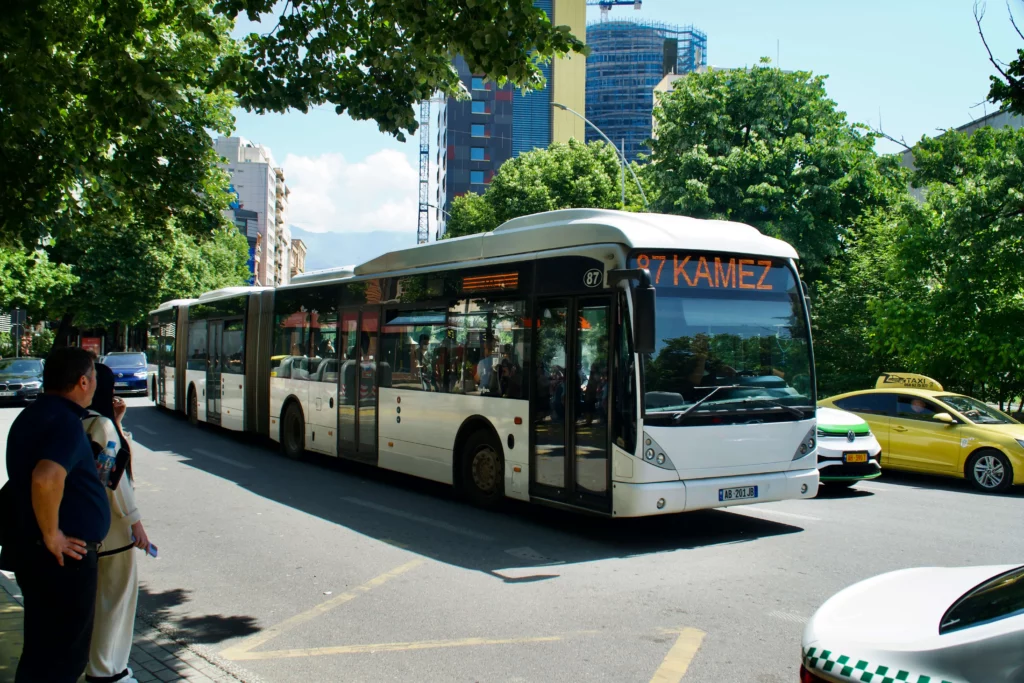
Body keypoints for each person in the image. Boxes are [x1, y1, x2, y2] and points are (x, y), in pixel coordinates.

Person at [5, 347, 111, 682]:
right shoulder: (63, 421)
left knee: (41, 650)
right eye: (93, 377)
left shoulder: (34, 415)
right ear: (83, 381)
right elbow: (45, 477)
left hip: (36, 553)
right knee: (63, 657)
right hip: (62, 558)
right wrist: (53, 535)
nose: (95, 385)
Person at [84, 364, 150, 683]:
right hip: (114, 533)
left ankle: (99, 666)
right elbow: (116, 478)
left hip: (92, 530)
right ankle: (108, 670)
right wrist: (135, 522)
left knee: (100, 601)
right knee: (116, 603)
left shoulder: (79, 420)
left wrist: (117, 423)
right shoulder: (102, 427)